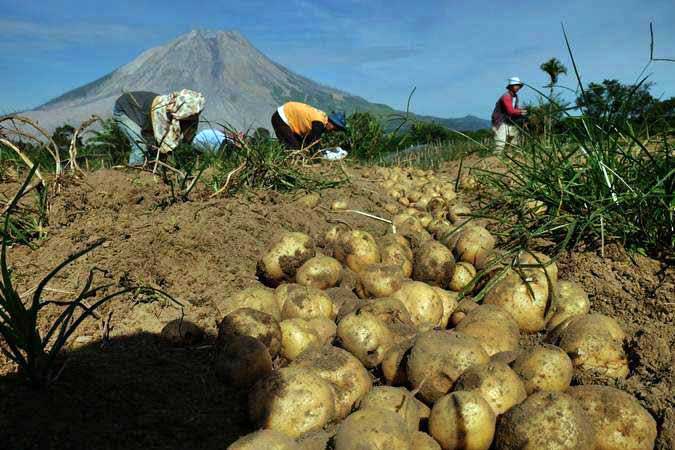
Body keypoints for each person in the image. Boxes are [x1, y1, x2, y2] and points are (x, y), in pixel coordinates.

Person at [112, 89, 205, 165]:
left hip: (142, 115)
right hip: (124, 110)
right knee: (140, 144)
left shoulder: (189, 113)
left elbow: (187, 139)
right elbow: (147, 133)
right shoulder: (158, 111)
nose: (193, 117)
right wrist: (158, 151)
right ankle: (136, 175)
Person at [271, 101, 346, 150]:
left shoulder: (322, 120)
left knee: (298, 146)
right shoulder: (319, 123)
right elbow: (313, 142)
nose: (333, 131)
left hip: (286, 118)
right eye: (335, 128)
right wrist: (317, 159)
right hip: (282, 118)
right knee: (293, 148)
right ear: (331, 122)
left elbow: (309, 140)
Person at [491, 77, 527, 152]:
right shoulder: (506, 97)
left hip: (510, 121)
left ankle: (510, 157)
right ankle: (496, 160)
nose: (518, 87)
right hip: (500, 121)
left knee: (513, 141)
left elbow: (515, 109)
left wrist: (521, 113)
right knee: (500, 144)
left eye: (518, 86)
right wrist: (521, 112)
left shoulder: (515, 97)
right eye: (516, 85)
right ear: (510, 86)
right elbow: (510, 111)